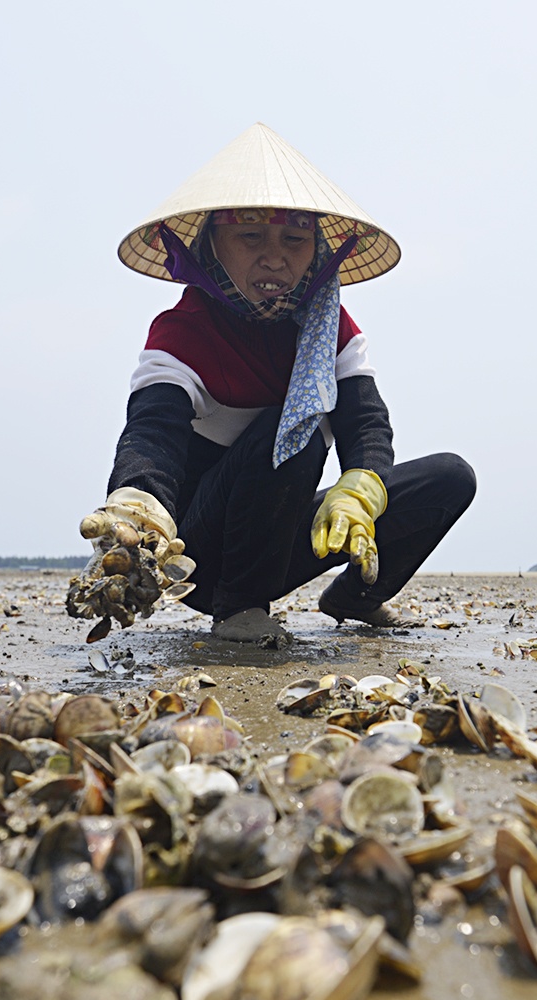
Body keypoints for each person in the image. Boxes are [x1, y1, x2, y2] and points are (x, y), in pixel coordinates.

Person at [91, 123, 476, 646]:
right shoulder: (183, 333)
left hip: (281, 539)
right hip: (204, 558)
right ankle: (240, 608)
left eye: (294, 240)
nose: (275, 258)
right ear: (212, 246)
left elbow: (365, 423)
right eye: (251, 238)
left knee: (450, 477)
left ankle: (357, 594)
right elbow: (152, 432)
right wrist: (139, 503)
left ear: (317, 250)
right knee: (290, 428)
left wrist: (359, 489)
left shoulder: (330, 329)